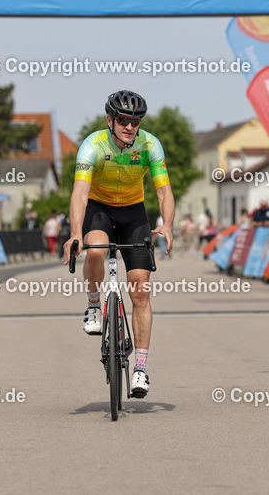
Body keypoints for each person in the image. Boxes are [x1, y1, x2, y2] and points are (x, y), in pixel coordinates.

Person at [63, 90, 175, 399]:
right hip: (99, 209)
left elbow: (163, 191)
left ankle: (140, 368)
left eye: (135, 122)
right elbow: (80, 193)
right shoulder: (93, 146)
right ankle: (95, 306)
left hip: (133, 212)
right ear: (110, 121)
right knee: (96, 249)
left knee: (140, 288)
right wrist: (75, 233)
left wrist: (167, 224)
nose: (129, 127)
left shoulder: (150, 145)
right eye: (123, 121)